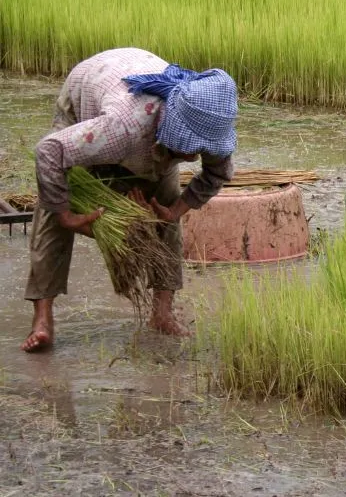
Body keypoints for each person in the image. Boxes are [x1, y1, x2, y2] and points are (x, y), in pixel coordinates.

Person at [21, 47, 237, 352]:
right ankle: (42, 319)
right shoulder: (121, 129)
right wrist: (65, 215)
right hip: (89, 93)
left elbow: (217, 174)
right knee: (58, 196)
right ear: (172, 127)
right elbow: (49, 152)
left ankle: (162, 313)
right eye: (189, 145)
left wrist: (175, 210)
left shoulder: (210, 120)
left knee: (165, 205)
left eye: (200, 148)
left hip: (144, 125)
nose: (193, 155)